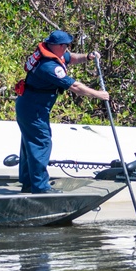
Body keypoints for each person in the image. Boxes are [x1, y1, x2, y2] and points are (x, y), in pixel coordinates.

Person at [15, 30, 109, 194]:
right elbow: (75, 87)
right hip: (33, 109)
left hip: (30, 106)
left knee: (29, 144)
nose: (67, 49)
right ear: (56, 45)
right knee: (41, 143)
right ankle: (41, 188)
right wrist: (98, 95)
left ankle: (29, 182)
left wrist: (88, 56)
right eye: (64, 45)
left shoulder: (52, 52)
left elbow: (70, 57)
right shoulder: (48, 67)